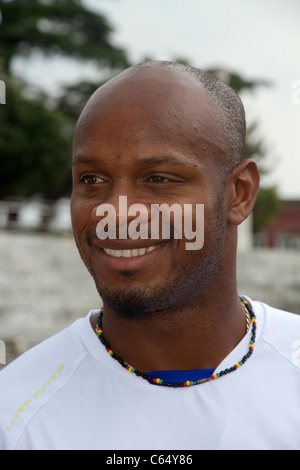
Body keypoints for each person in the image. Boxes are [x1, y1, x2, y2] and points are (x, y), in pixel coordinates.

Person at [1, 61, 300, 451]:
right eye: (92, 180)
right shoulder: (14, 415)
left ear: (239, 193)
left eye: (158, 179)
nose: (117, 212)